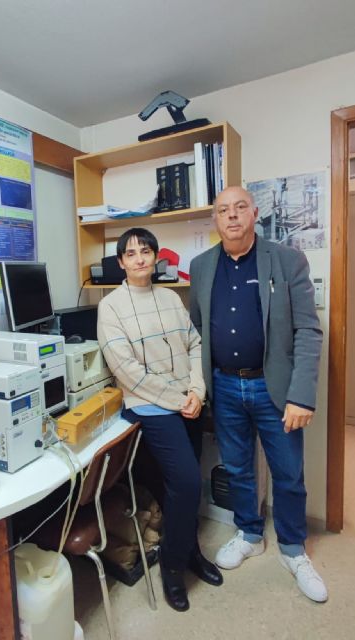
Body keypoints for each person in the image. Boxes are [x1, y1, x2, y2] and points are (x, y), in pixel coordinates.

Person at [189, 186, 328, 603]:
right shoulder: (200, 267)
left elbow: (308, 330)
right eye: (222, 210)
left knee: (288, 472)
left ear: (254, 213)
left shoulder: (286, 261)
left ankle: (292, 548)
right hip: (226, 385)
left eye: (239, 208)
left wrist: (301, 395)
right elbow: (197, 332)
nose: (231, 216)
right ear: (215, 219)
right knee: (237, 467)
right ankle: (250, 533)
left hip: (276, 387)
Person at [97, 227, 223, 612]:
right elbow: (125, 369)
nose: (139, 259)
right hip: (151, 407)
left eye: (146, 251)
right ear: (120, 263)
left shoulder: (170, 297)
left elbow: (196, 343)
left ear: (156, 258)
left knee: (183, 488)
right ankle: (172, 566)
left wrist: (196, 393)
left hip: (188, 402)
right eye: (130, 253)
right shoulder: (112, 306)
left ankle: (190, 553)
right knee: (186, 484)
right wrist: (178, 398)